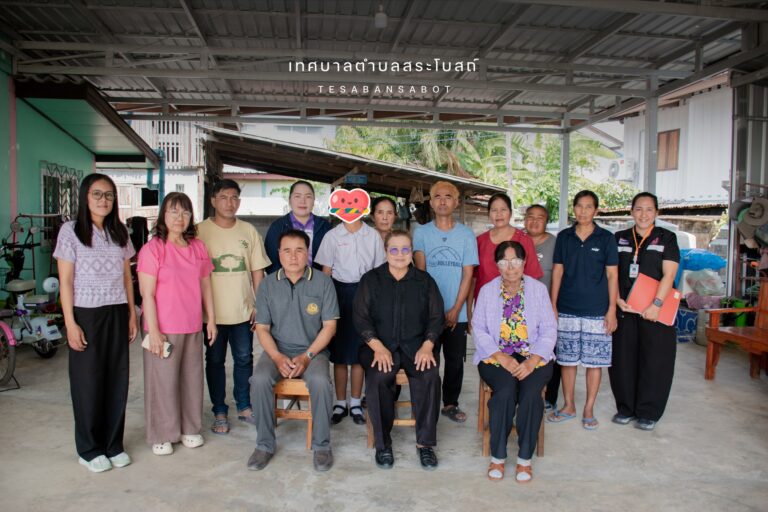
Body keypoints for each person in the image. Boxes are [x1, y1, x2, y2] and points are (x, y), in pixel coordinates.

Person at [54, 173, 138, 473]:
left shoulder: (121, 232)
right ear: (85, 197)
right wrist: (70, 323)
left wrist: (131, 313)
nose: (104, 200)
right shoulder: (71, 231)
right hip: (86, 314)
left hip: (116, 311)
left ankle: (113, 444)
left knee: (117, 380)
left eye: (109, 195)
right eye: (97, 194)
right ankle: (89, 449)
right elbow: (65, 281)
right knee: (88, 383)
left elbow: (128, 277)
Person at [247, 230, 338, 472]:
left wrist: (307, 357)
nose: (293, 256)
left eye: (299, 250)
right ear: (279, 254)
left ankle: (321, 446)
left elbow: (330, 327)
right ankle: (264, 445)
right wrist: (277, 357)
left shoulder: (323, 282)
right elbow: (262, 328)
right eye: (287, 250)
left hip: (313, 351)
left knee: (320, 381)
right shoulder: (267, 284)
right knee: (259, 380)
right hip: (277, 350)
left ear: (308, 253)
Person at [353, 230, 444, 470]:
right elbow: (360, 318)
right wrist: (376, 345)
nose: (400, 254)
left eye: (405, 249)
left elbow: (436, 317)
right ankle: (383, 444)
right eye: (394, 249)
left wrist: (428, 344)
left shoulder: (425, 281)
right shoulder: (371, 279)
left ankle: (425, 444)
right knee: (379, 378)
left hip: (417, 347)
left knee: (429, 376)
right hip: (379, 347)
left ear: (411, 252)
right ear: (386, 251)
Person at [137, 192, 217, 455]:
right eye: (173, 211)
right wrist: (155, 331)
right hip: (162, 328)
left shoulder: (198, 248)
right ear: (163, 215)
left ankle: (189, 429)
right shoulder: (153, 249)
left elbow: (206, 285)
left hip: (192, 325)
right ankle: (162, 433)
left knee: (191, 379)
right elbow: (146, 294)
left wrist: (211, 320)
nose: (179, 218)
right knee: (162, 382)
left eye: (184, 212)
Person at [472, 241, 556, 483]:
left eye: (516, 261)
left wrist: (532, 361)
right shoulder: (487, 290)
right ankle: (498, 455)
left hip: (535, 356)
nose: (510, 268)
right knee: (506, 391)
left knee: (530, 394)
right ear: (497, 265)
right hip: (496, 356)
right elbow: (478, 329)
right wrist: (501, 357)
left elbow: (550, 329)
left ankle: (524, 459)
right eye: (504, 262)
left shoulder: (538, 290)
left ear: (524, 262)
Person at [197, 179, 271, 435]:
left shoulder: (248, 231)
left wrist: (258, 305)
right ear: (213, 200)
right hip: (212, 315)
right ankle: (219, 409)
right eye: (224, 197)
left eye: (234, 198)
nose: (230, 203)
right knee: (215, 360)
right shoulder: (199, 231)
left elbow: (257, 272)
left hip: (243, 311)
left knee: (243, 359)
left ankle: (244, 405)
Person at [547, 190, 618, 430]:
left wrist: (611, 309)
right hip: (566, 308)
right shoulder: (564, 237)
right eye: (579, 206)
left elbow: (612, 275)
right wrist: (553, 305)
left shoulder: (606, 238)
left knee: (594, 363)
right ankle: (569, 405)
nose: (583, 211)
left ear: (596, 211)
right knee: (566, 361)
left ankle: (588, 408)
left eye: (589, 207)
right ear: (574, 209)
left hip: (597, 311)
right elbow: (557, 271)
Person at [610, 192, 680, 431]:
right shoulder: (619, 238)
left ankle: (648, 412)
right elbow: (611, 273)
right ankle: (625, 408)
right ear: (631, 212)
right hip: (625, 309)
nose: (643, 214)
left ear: (657, 213)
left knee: (655, 361)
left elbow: (669, 274)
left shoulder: (667, 238)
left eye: (649, 209)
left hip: (655, 311)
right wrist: (616, 299)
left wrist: (656, 305)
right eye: (638, 209)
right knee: (623, 360)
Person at [413, 181, 479, 423]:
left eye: (448, 197)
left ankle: (450, 403)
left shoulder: (466, 234)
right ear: (430, 203)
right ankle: (426, 402)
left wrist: (456, 308)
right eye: (437, 197)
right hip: (428, 312)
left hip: (456, 313)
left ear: (456, 202)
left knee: (454, 362)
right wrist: (435, 312)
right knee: (429, 360)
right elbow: (421, 274)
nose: (442, 201)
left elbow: (468, 274)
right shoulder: (421, 233)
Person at [315, 207, 386, 425]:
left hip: (365, 293)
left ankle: (355, 402)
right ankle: (340, 402)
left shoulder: (372, 235)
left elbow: (379, 270)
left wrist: (375, 301)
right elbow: (326, 271)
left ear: (363, 209)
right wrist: (325, 300)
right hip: (337, 293)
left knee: (357, 352)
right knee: (339, 353)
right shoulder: (332, 235)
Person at [470, 193, 542, 307]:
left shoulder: (524, 240)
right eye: (494, 210)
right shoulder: (479, 241)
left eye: (503, 209)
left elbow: (532, 278)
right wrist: (469, 313)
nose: (499, 214)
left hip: (517, 308)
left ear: (510, 213)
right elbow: (473, 279)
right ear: (488, 214)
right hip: (485, 306)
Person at [523, 204, 560, 412]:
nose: (534, 221)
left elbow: (558, 275)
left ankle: (550, 396)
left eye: (540, 218)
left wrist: (554, 305)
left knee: (547, 351)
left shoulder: (554, 243)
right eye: (530, 217)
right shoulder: (518, 240)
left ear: (547, 221)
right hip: (520, 310)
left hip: (545, 309)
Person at [264, 180, 331, 274]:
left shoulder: (325, 226)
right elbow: (271, 262)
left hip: (318, 284)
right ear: (289, 200)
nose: (302, 201)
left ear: (313, 201)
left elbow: (331, 261)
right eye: (297, 196)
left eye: (308, 197)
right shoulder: (278, 227)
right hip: (286, 285)